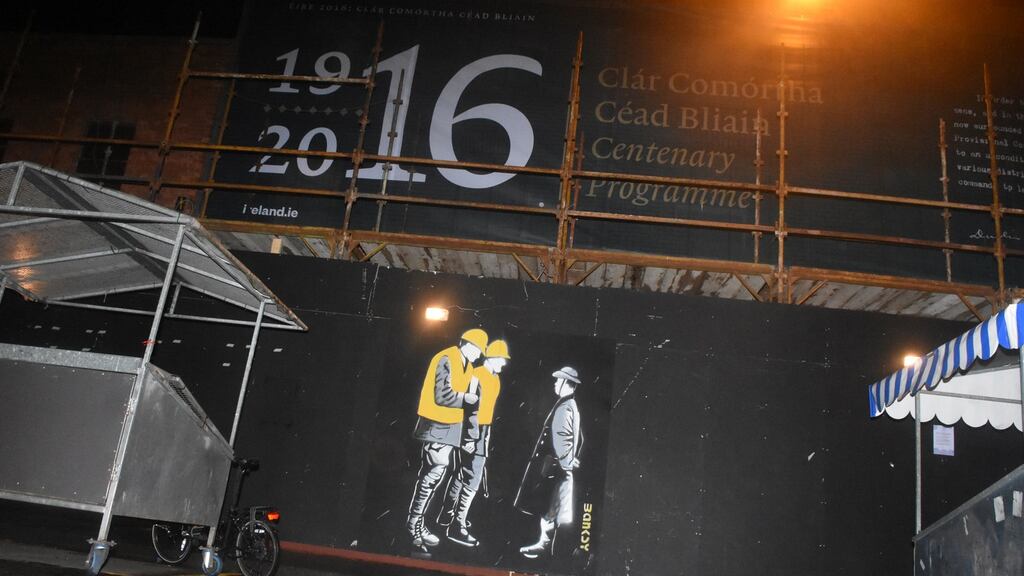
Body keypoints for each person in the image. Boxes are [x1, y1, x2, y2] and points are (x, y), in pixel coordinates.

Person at [406, 328, 488, 550]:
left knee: (434, 478)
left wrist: (469, 436)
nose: (478, 356)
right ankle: (413, 525)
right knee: (430, 478)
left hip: (449, 431)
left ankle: (417, 523)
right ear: (467, 344)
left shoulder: (467, 365)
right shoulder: (446, 358)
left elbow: (469, 407)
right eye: (478, 350)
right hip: (435, 427)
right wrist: (466, 398)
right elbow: (442, 395)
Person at [437, 339, 510, 547]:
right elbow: (469, 407)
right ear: (491, 358)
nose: (504, 363)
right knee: (472, 479)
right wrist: (469, 437)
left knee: (462, 474)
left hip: (482, 430)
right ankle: (457, 525)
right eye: (502, 359)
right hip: (471, 429)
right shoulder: (476, 375)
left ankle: (446, 516)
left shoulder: (495, 379)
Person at [515, 366, 583, 559]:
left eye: (558, 380)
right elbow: (578, 437)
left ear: (566, 383)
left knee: (557, 512)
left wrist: (566, 461)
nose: (555, 383)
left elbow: (563, 438)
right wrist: (571, 459)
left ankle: (556, 554)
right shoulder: (569, 404)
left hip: (557, 469)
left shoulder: (565, 407)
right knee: (551, 511)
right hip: (560, 467)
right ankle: (545, 547)